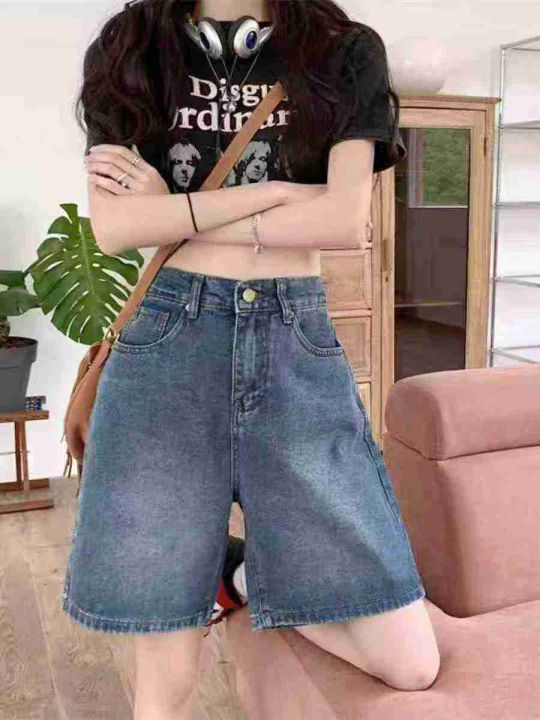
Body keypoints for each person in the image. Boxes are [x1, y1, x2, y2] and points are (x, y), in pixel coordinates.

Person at [62, 0, 441, 717]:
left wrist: (177, 210)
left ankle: (235, 578)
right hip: (168, 345)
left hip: (294, 340)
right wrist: (275, 194)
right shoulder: (131, 46)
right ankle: (206, 581)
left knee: (411, 662)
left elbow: (341, 221)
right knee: (165, 684)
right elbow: (115, 228)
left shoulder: (343, 50)